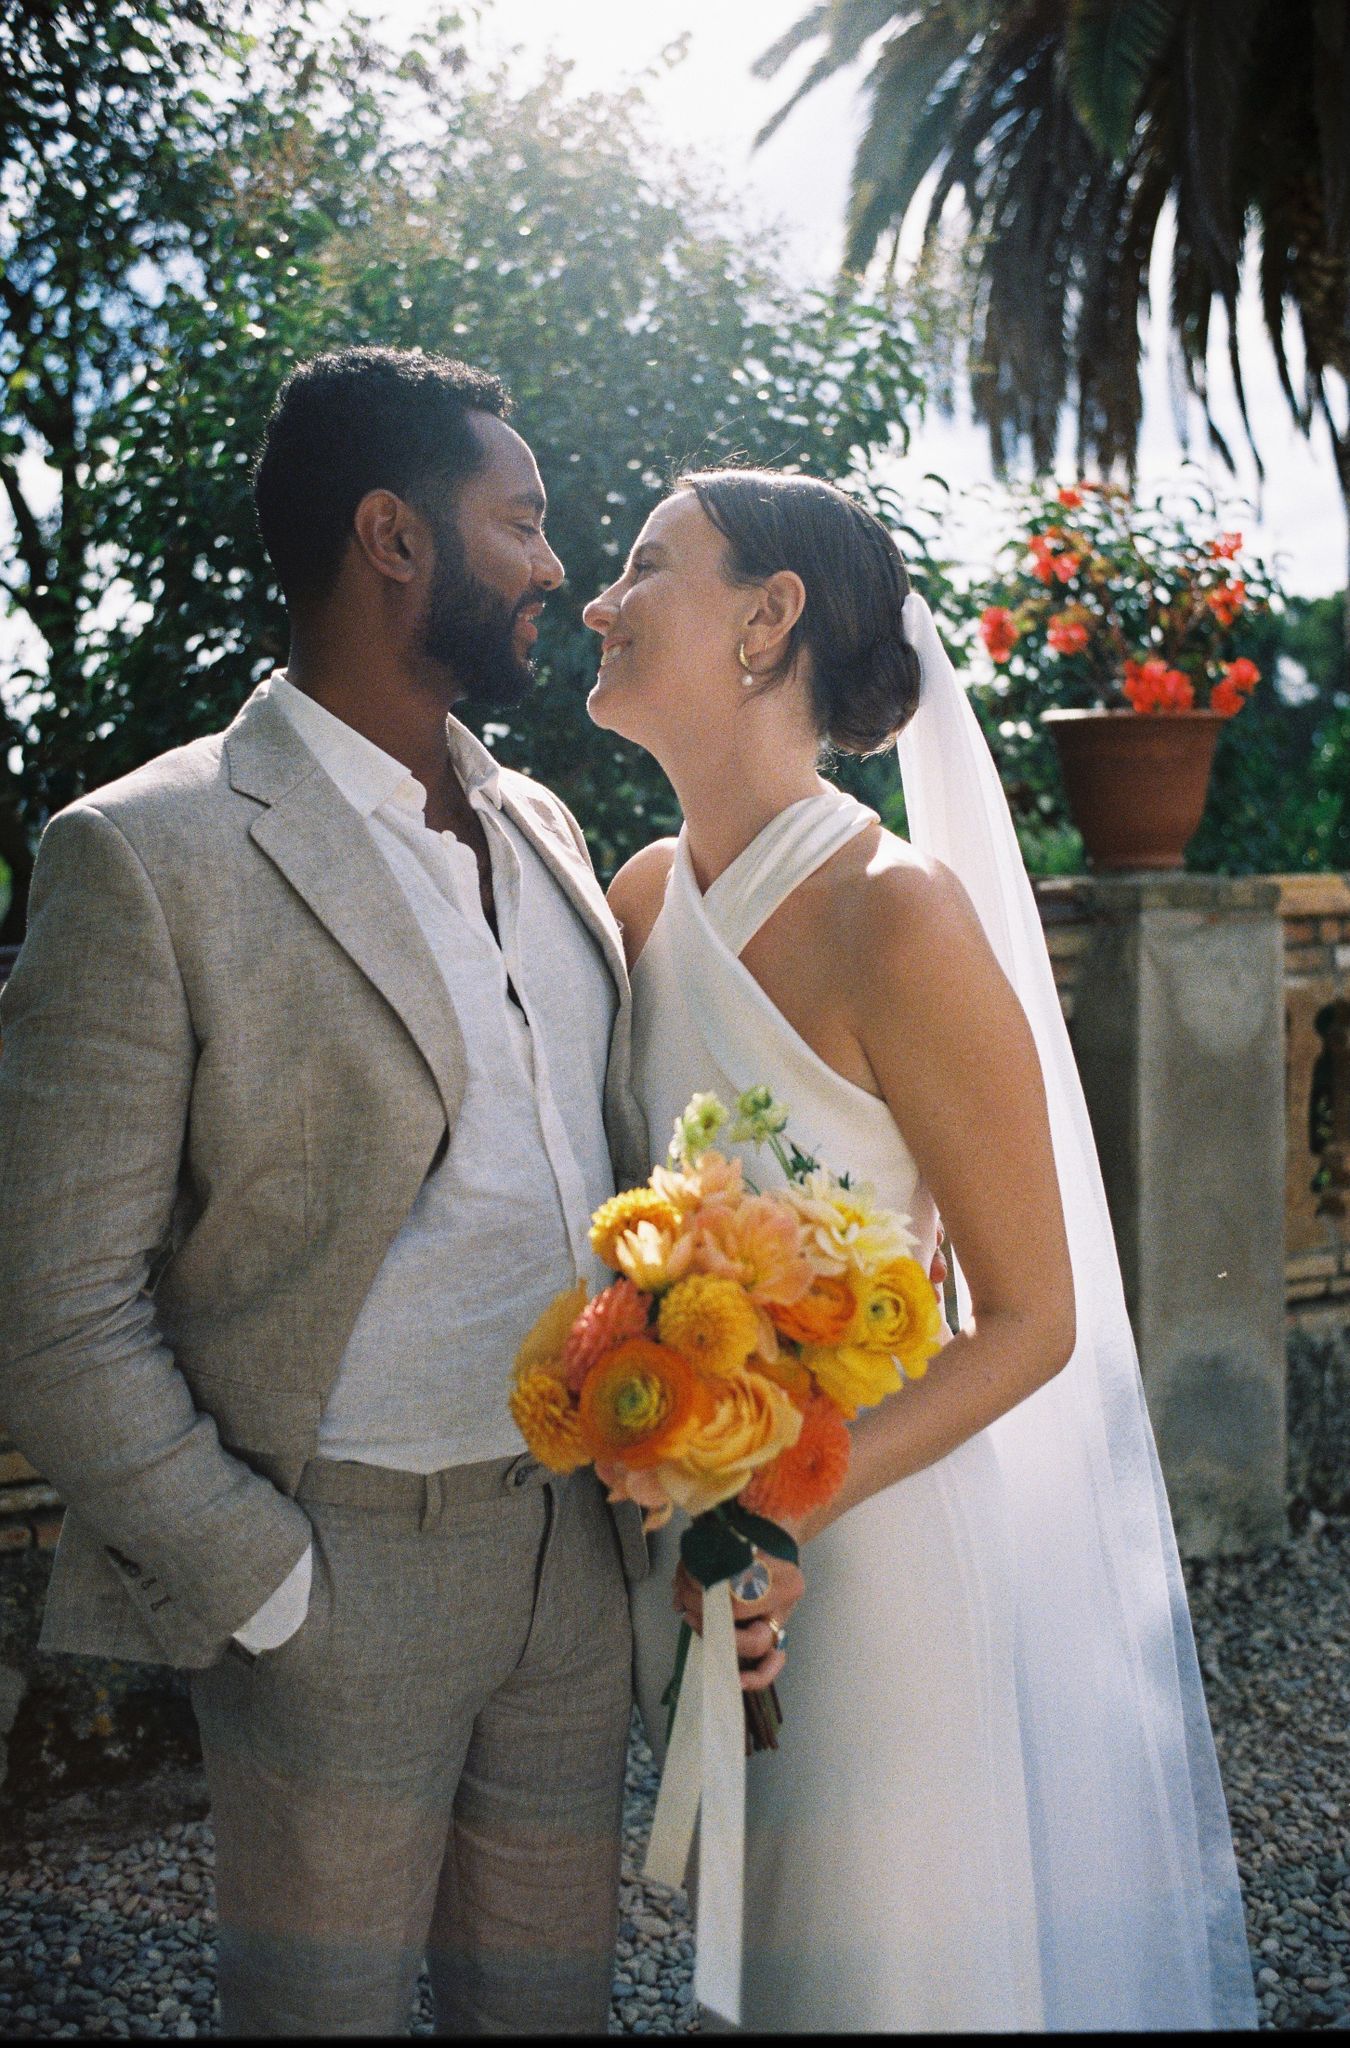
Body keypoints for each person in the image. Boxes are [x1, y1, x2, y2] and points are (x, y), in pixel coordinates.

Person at [0, 345, 652, 2036]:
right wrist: (270, 1583)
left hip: (574, 1556)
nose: (555, 568)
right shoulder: (146, 852)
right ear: (393, 537)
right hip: (341, 1573)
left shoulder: (544, 824)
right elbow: (48, 1305)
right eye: (520, 522)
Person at [583, 467, 1257, 2032]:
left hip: (868, 1544)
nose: (602, 602)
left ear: (767, 618)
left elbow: (1031, 1317)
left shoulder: (894, 914)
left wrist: (782, 1506)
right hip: (701, 1544)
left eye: (646, 566)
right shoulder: (636, 901)